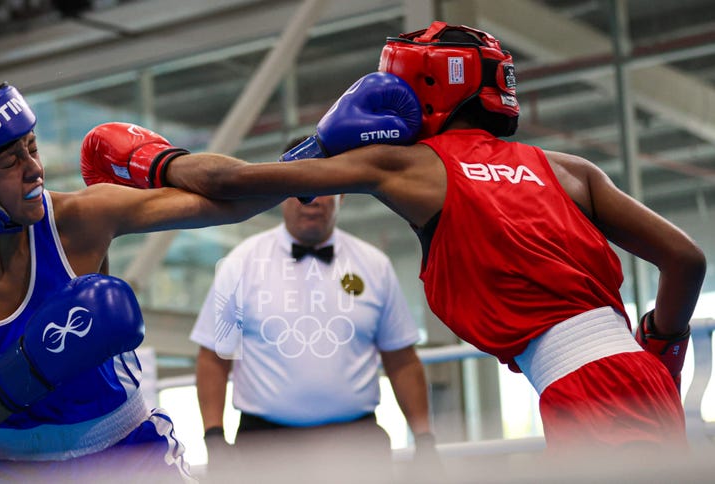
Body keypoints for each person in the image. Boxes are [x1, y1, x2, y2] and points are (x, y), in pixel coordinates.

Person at [84, 21, 707, 462]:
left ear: (425, 87)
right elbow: (685, 259)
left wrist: (154, 162)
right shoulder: (568, 168)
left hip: (585, 390)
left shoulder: (408, 167)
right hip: (635, 375)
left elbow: (239, 184)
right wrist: (662, 348)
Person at [0, 85, 280, 482]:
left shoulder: (78, 217)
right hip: (1, 466)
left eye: (32, 147)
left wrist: (313, 160)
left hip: (123, 450)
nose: (34, 169)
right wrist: (36, 364)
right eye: (11, 160)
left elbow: (232, 199)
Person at [188, 137, 434, 483]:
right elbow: (215, 356)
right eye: (299, 188)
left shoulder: (374, 265)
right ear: (281, 193)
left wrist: (424, 437)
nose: (311, 200)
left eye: (320, 187)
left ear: (342, 192)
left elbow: (402, 359)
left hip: (357, 443)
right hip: (265, 445)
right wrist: (214, 437)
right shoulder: (240, 263)